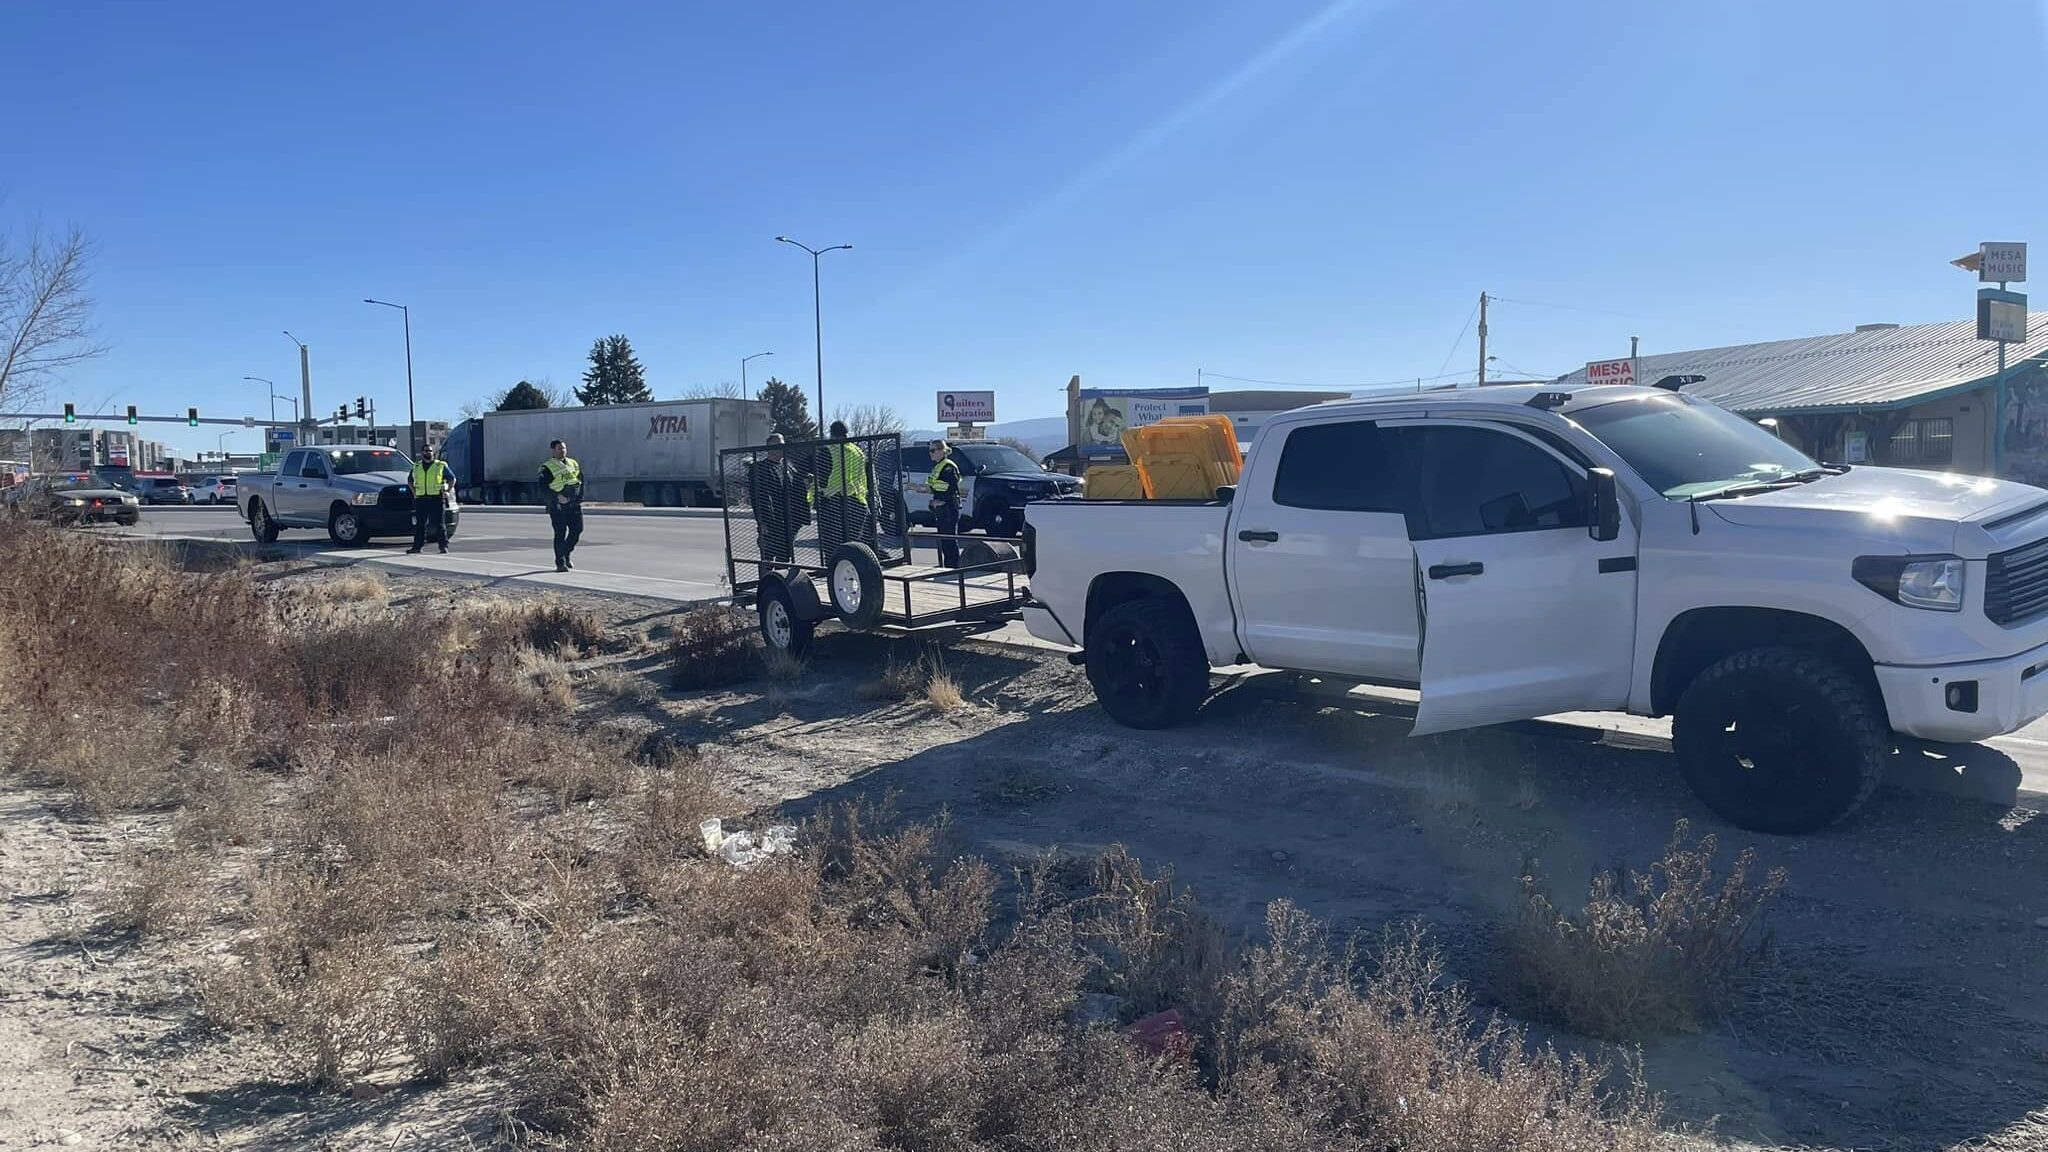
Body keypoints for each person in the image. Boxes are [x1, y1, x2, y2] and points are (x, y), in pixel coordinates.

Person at [746, 433, 808, 564]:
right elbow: (757, 497)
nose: (782, 449)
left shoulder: (788, 466)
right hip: (772, 520)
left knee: (785, 556)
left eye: (783, 446)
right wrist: (762, 522)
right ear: (770, 448)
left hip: (790, 521)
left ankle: (780, 582)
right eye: (779, 446)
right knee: (768, 556)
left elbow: (797, 488)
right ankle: (766, 582)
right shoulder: (760, 468)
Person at [815, 420, 872, 551]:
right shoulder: (858, 451)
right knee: (852, 544)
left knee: (832, 545)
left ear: (832, 434)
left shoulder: (828, 449)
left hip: (833, 502)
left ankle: (833, 571)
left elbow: (822, 477)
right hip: (858, 502)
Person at [539, 439, 584, 572]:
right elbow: (543, 488)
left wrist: (579, 498)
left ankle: (566, 553)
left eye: (564, 448)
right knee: (560, 533)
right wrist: (557, 497)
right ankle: (560, 562)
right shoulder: (547, 467)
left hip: (573, 504)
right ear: (553, 450)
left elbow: (580, 480)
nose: (563, 451)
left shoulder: (573, 463)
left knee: (577, 530)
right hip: (558, 504)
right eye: (559, 448)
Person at [407, 443, 454, 555]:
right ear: (422, 453)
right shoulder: (416, 466)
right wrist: (414, 493)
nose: (428, 453)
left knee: (439, 524)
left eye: (430, 451)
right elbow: (410, 480)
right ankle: (417, 547)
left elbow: (452, 479)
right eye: (426, 451)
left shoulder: (440, 465)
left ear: (433, 453)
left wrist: (447, 492)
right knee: (420, 525)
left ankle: (443, 547)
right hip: (421, 499)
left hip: (436, 498)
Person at [926, 438, 963, 568]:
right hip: (941, 509)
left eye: (932, 450)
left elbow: (951, 487)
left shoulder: (948, 466)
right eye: (929, 451)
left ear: (942, 451)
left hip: (949, 507)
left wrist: (940, 501)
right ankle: (948, 566)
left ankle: (954, 568)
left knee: (950, 540)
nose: (930, 453)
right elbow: (936, 485)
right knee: (944, 540)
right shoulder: (938, 466)